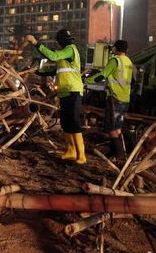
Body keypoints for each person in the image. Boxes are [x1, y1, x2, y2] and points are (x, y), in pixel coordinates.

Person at [25, 29, 86, 164]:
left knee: (74, 122)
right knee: (66, 122)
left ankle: (81, 154)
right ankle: (71, 151)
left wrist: (36, 43)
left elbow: (52, 56)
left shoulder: (70, 50)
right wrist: (40, 72)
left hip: (73, 90)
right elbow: (55, 70)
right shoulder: (65, 54)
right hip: (65, 91)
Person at [84, 40, 134, 160]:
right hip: (125, 98)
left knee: (111, 127)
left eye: (113, 48)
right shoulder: (128, 61)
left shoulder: (115, 60)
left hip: (115, 98)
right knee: (117, 126)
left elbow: (103, 75)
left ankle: (120, 155)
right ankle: (115, 152)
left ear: (116, 49)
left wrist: (87, 81)